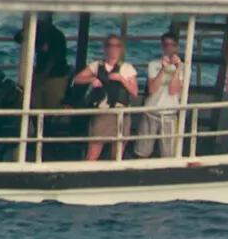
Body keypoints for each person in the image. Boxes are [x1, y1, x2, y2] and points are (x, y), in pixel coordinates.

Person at [74, 33, 143, 161]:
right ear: (105, 48)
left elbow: (135, 92)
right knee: (93, 151)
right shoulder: (97, 65)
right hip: (102, 112)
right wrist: (91, 79)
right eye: (110, 46)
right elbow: (77, 79)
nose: (114, 49)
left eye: (117, 46)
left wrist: (122, 79)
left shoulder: (127, 68)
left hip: (121, 113)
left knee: (117, 153)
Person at [136, 30, 187, 158]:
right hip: (152, 110)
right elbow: (152, 89)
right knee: (143, 151)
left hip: (170, 113)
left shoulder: (184, 67)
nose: (169, 48)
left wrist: (177, 68)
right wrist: (163, 69)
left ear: (177, 47)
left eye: (172, 45)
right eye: (166, 45)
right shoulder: (154, 65)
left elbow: (173, 90)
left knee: (169, 153)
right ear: (162, 47)